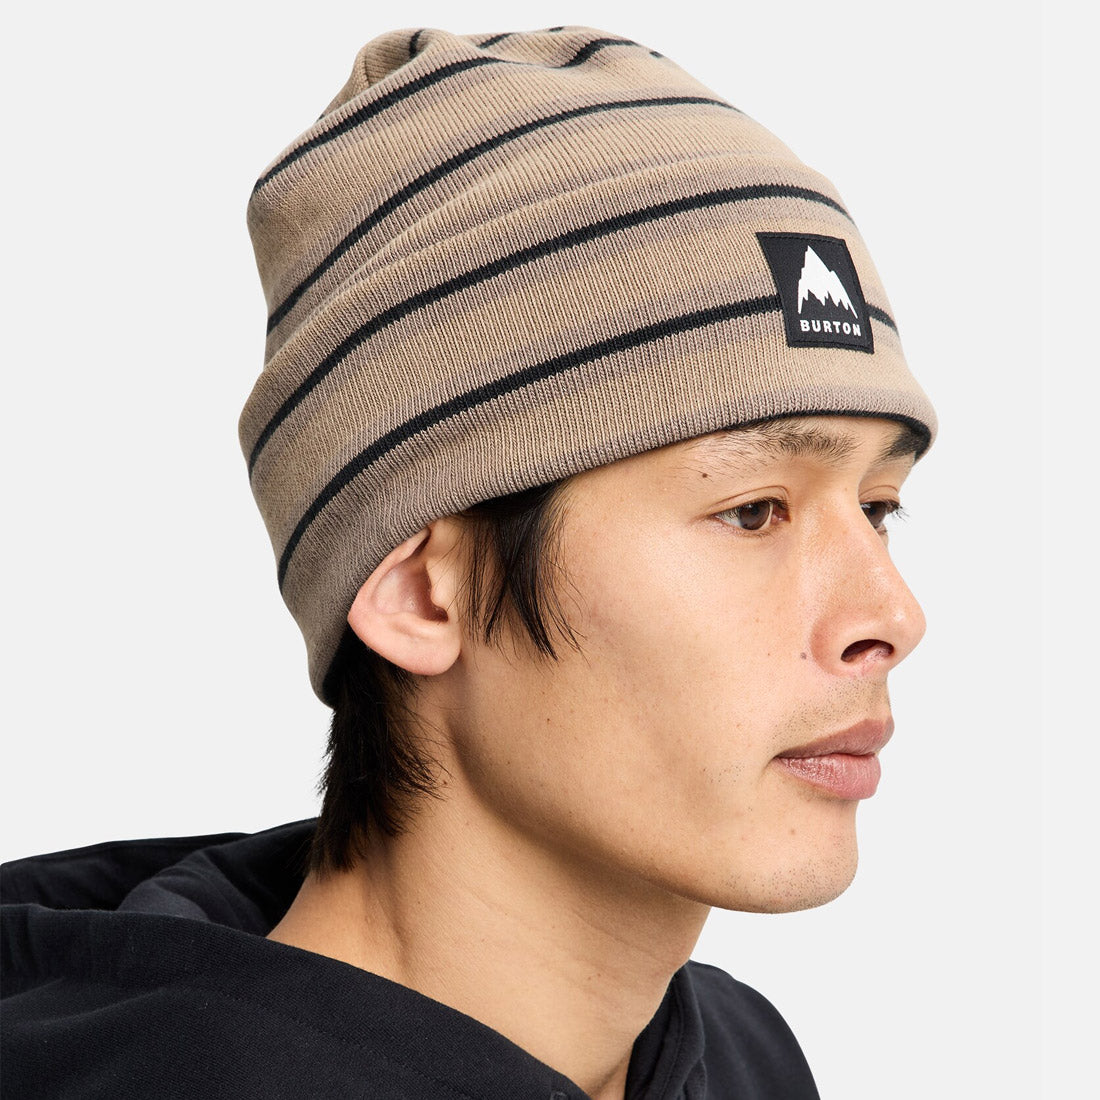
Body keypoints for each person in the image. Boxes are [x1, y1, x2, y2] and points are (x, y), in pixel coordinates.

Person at [1, 24, 936, 1100]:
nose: (892, 614)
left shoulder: (738, 1059)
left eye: (879, 507)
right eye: (752, 511)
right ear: (418, 592)